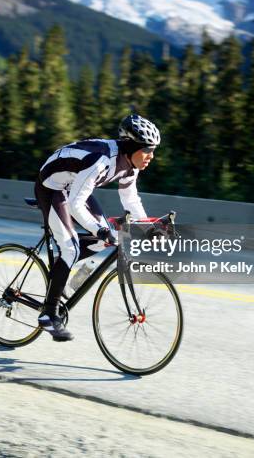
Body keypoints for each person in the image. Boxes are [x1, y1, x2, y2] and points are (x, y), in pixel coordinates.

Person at [35, 114, 160, 341]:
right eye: (148, 150)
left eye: (153, 150)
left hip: (74, 186)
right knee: (72, 247)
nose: (151, 156)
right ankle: (48, 315)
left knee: (106, 239)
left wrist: (147, 228)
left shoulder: (131, 164)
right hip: (52, 186)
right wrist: (97, 228)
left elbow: (131, 199)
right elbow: (74, 204)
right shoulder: (101, 161)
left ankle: (62, 275)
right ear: (131, 147)